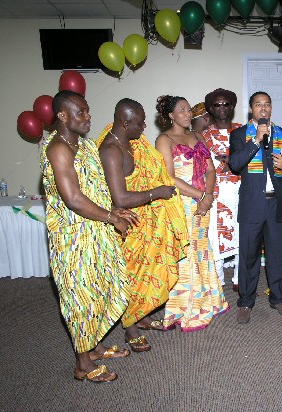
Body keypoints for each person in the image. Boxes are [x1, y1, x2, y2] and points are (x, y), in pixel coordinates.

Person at [41, 90, 137, 382]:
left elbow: (94, 190)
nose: (88, 116)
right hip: (73, 238)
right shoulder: (59, 148)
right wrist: (111, 217)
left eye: (87, 110)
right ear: (62, 116)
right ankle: (83, 364)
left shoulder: (82, 145)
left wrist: (114, 212)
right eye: (81, 112)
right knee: (79, 297)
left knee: (99, 288)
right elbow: (72, 198)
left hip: (95, 228)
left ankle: (93, 348)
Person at [97, 98, 189, 351]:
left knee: (150, 273)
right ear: (126, 123)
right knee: (134, 276)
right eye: (140, 122)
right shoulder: (111, 150)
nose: (145, 126)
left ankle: (143, 316)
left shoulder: (133, 143)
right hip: (129, 225)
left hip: (145, 221)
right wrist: (158, 191)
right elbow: (121, 198)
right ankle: (131, 328)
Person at [229, 91, 282, 324]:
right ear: (251, 109)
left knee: (276, 254)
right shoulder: (240, 134)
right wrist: (256, 141)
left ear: (271, 109)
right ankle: (246, 302)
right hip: (252, 204)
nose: (263, 108)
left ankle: (278, 298)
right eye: (258, 104)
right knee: (249, 255)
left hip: (276, 205)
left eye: (267, 104)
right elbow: (235, 163)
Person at [155, 95, 229, 331]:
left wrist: (207, 196)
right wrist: (199, 196)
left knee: (201, 250)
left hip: (203, 202)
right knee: (186, 254)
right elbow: (169, 177)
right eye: (182, 110)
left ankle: (206, 302)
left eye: (189, 110)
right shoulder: (164, 140)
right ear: (170, 116)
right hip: (182, 204)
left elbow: (210, 169)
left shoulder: (197, 136)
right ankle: (184, 309)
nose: (188, 114)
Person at [202, 88, 242, 291]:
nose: (222, 108)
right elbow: (202, 165)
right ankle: (217, 281)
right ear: (210, 108)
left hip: (242, 191)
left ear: (232, 106)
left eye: (226, 104)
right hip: (217, 194)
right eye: (217, 105)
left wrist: (233, 163)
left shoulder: (243, 130)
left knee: (244, 234)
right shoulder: (203, 135)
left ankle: (239, 278)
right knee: (215, 237)